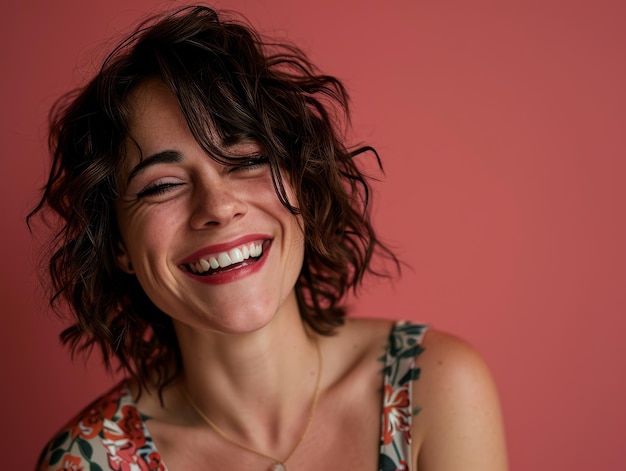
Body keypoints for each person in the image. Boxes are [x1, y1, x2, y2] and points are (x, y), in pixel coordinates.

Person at [31, 5, 507, 471]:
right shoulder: (84, 462)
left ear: (303, 182)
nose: (218, 207)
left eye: (246, 160)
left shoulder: (434, 386)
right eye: (162, 185)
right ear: (118, 244)